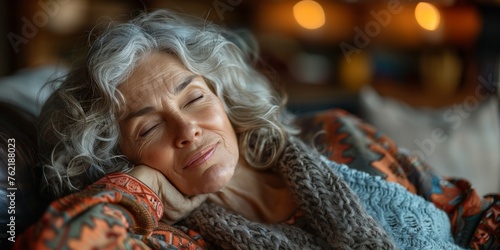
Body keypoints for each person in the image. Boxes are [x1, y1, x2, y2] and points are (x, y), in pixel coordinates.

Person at [14, 9, 499, 249]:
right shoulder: (174, 239)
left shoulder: (336, 133)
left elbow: (466, 214)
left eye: (195, 98)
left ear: (223, 97)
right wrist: (140, 188)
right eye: (148, 130)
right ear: (116, 156)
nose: (187, 130)